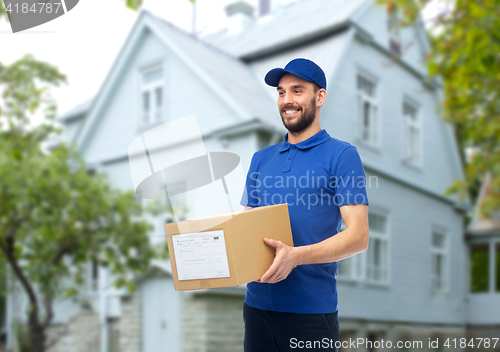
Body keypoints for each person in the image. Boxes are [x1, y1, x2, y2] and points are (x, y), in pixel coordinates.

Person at [239, 58, 370, 352]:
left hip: (310, 313)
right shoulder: (261, 159)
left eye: (297, 91)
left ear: (319, 96)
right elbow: (247, 226)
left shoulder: (342, 155)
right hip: (256, 307)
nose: (287, 100)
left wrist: (295, 256)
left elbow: (359, 236)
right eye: (282, 92)